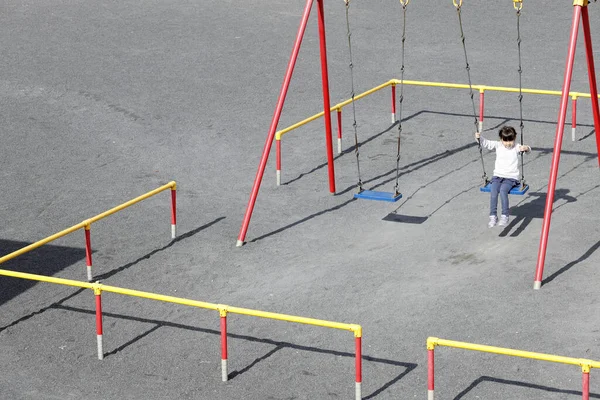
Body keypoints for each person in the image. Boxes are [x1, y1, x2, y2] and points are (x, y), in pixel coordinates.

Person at [475, 126, 531, 228]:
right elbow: (486, 143)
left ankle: (505, 215)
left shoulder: (516, 147)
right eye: (505, 141)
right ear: (501, 139)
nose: (508, 143)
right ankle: (493, 216)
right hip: (497, 176)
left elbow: (527, 150)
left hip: (511, 178)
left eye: (511, 140)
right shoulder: (498, 145)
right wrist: (479, 138)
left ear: (515, 138)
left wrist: (526, 148)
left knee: (503, 191)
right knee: (493, 191)